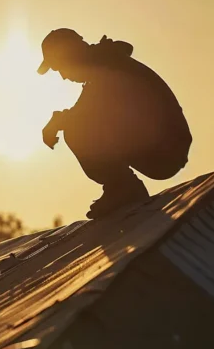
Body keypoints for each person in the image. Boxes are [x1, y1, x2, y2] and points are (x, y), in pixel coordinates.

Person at [38, 28, 192, 219]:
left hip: (165, 148)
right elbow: (85, 110)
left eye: (59, 67)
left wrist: (59, 121)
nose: (62, 76)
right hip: (161, 145)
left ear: (71, 55)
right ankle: (121, 186)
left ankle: (123, 187)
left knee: (76, 129)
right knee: (75, 124)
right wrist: (60, 119)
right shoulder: (102, 68)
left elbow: (89, 113)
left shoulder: (110, 69)